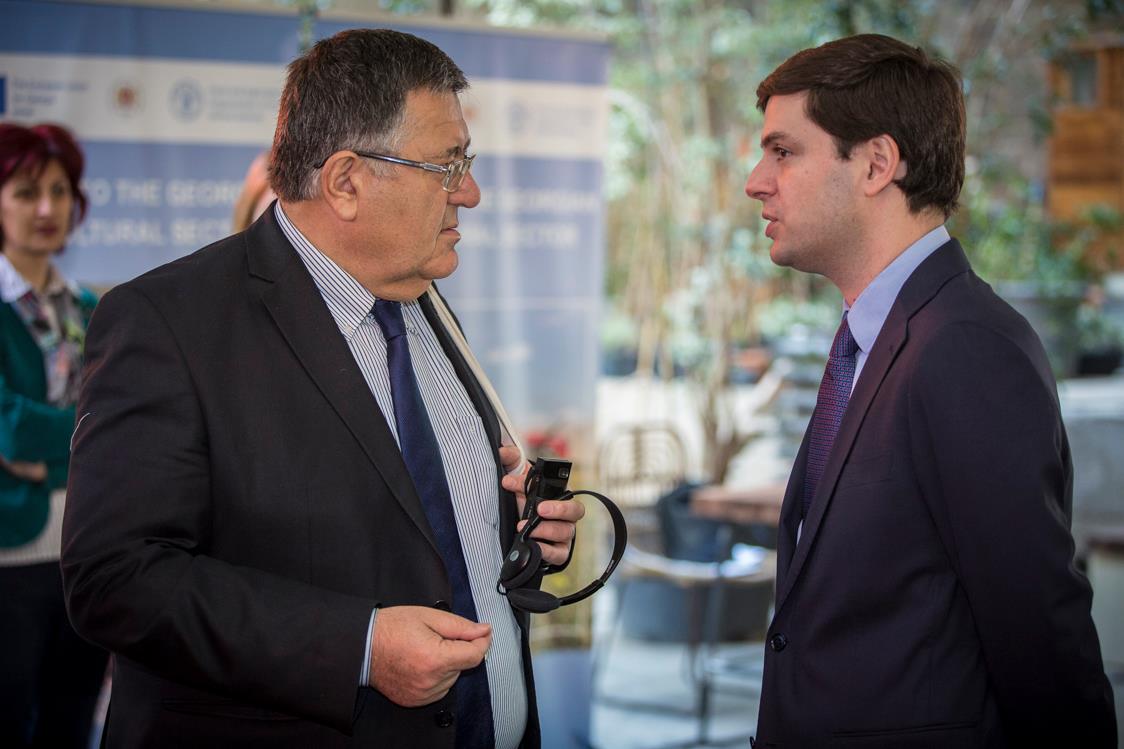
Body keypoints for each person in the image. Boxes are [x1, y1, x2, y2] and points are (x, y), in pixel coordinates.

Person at [61, 29, 584, 748]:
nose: (470, 191)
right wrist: (359, 647)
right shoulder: (168, 322)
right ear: (345, 182)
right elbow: (115, 579)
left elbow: (405, 515)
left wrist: (510, 525)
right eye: (447, 165)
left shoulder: (425, 302)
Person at [743, 34, 1116, 748]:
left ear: (876, 164)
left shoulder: (966, 348)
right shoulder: (876, 335)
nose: (757, 181)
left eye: (783, 151)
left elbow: (1039, 633)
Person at [0, 122, 107, 748]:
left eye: (59, 192)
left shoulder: (90, 308)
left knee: (71, 724)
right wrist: (83, 443)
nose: (47, 209)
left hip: (86, 553)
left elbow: (118, 427)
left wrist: (51, 458)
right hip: (9, 554)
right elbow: (10, 428)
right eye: (25, 192)